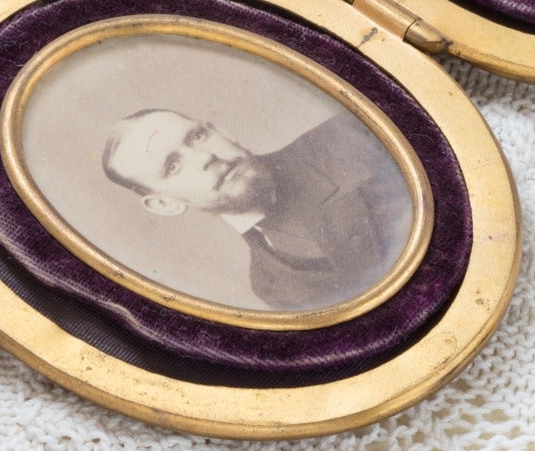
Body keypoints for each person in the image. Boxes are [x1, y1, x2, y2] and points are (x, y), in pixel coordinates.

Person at [98, 106, 409, 312]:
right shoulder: (270, 287)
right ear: (165, 204)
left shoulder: (352, 138)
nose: (205, 157)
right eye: (173, 166)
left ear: (223, 132)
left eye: (197, 137)